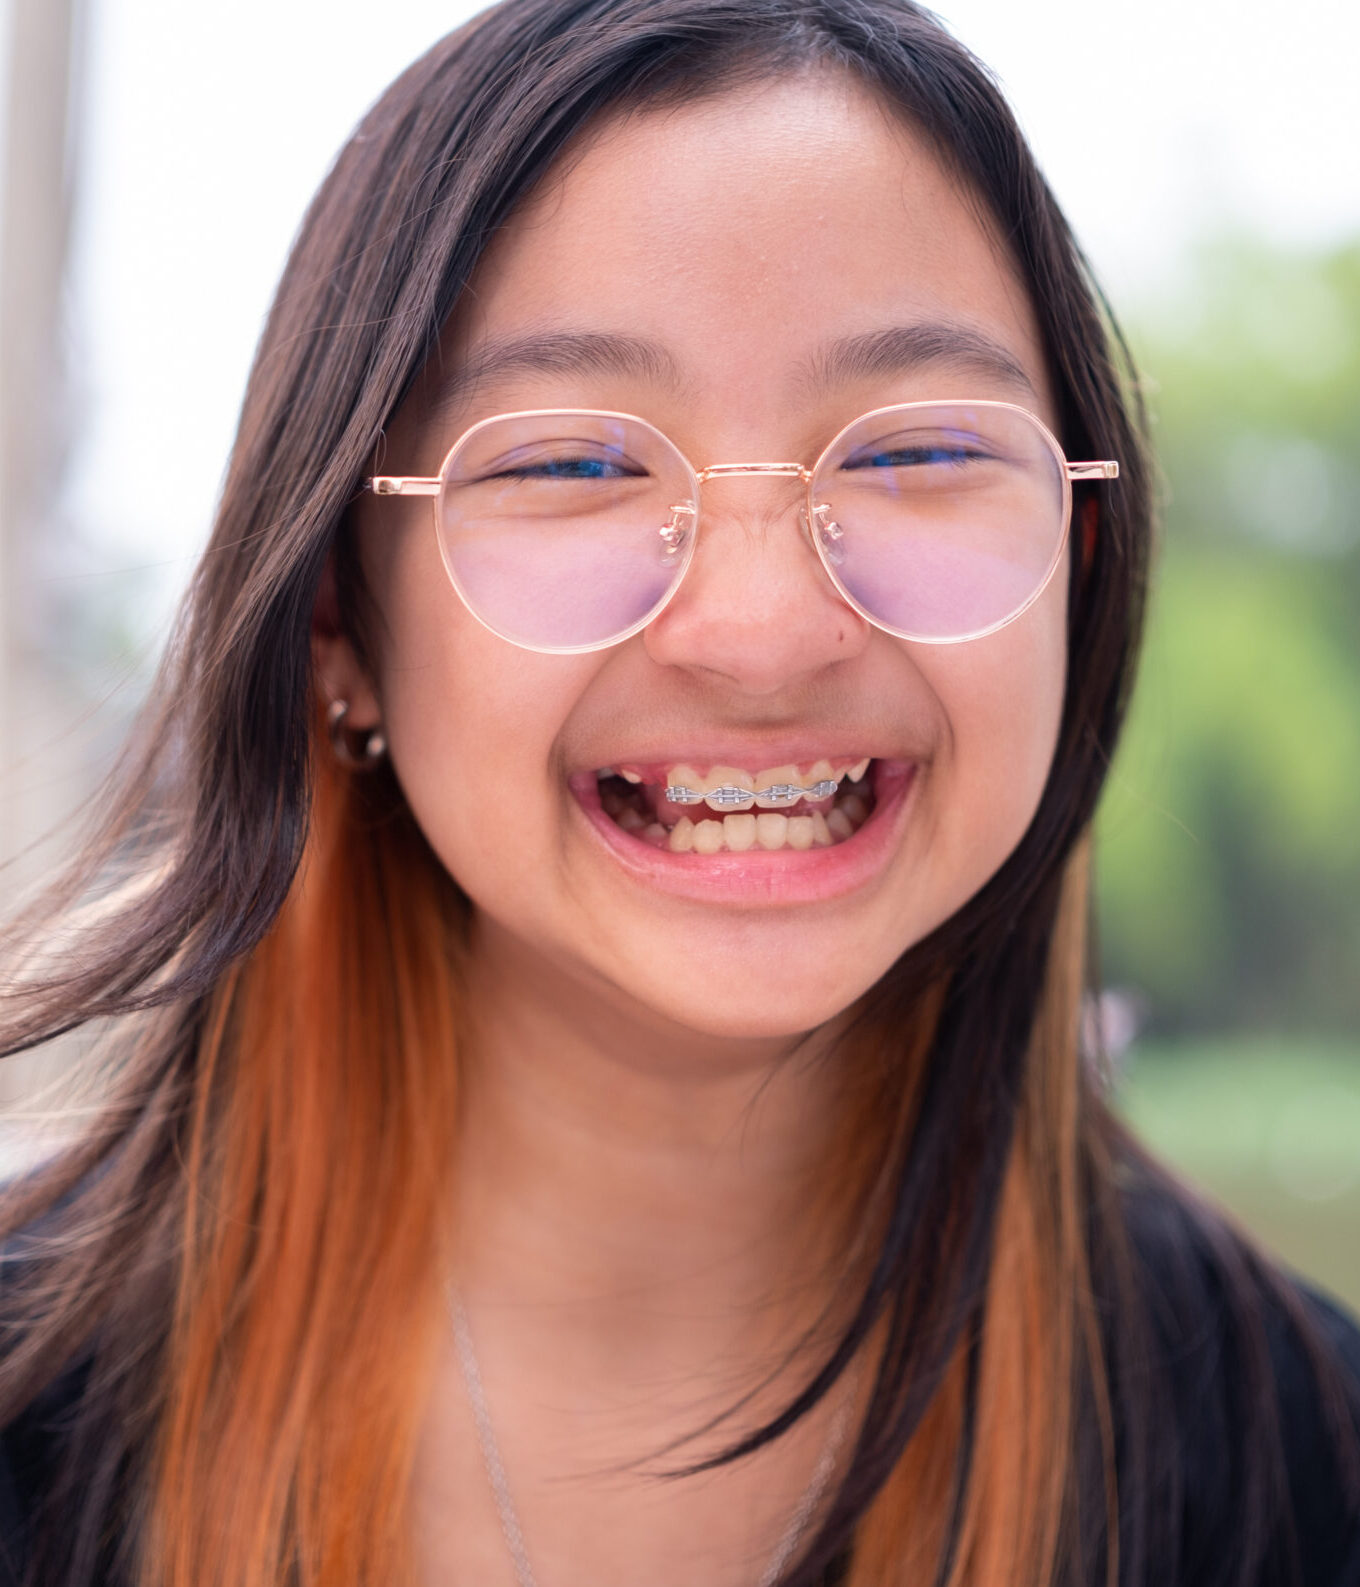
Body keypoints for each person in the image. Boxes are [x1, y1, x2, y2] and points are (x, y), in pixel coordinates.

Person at [0, 0, 1357, 1583]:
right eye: (573, 465)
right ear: (335, 622)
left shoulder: (1300, 1471)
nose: (762, 632)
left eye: (913, 451)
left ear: (1078, 556)